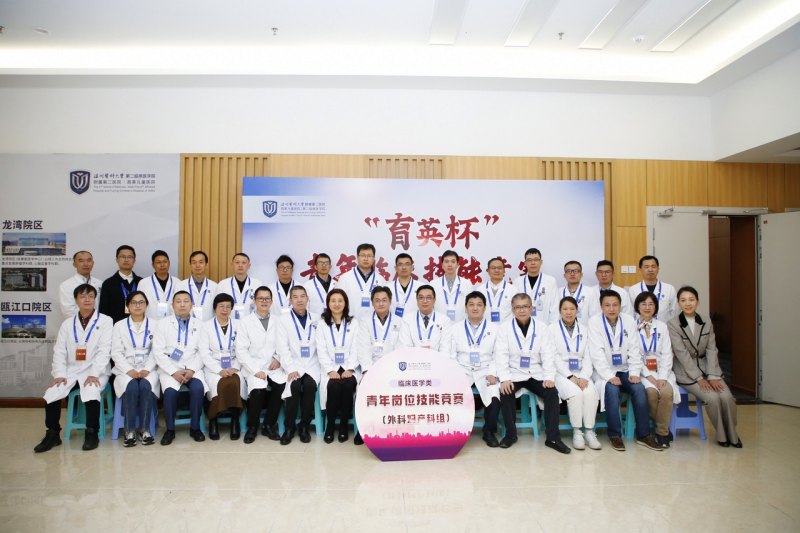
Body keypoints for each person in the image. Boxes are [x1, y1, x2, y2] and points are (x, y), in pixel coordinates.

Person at [34, 284, 112, 453]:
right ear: (76, 300)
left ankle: (92, 432)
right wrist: (59, 374)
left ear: (95, 299)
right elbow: (59, 351)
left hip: (96, 369)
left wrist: (94, 373)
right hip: (72, 369)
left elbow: (105, 351)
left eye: (90, 296)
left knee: (91, 390)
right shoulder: (67, 324)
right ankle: (53, 433)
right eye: (82, 296)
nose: (87, 300)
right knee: (53, 392)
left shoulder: (106, 321)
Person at [587, 290, 662, 452]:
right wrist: (609, 376)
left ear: (621, 305)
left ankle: (644, 435)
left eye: (615, 305)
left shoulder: (628, 320)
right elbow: (596, 354)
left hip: (625, 369)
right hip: (604, 371)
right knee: (612, 389)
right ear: (601, 306)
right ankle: (615, 435)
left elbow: (634, 350)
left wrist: (634, 373)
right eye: (607, 305)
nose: (611, 308)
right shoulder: (594, 322)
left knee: (639, 388)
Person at [495, 293, 570, 453]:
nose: (522, 310)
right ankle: (510, 435)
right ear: (512, 310)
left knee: (552, 393)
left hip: (535, 372)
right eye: (518, 307)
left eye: (525, 306)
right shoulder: (504, 328)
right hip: (514, 372)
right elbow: (501, 354)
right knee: (506, 391)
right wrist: (505, 378)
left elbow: (548, 354)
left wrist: (549, 377)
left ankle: (553, 438)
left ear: (532, 308)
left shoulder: (542, 327)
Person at [668, 286, 740, 448]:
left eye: (691, 300)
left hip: (709, 369)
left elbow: (712, 349)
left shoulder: (706, 321)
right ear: (679, 303)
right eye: (683, 300)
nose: (688, 304)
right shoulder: (673, 324)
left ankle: (732, 434)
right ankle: (722, 435)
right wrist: (699, 378)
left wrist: (712, 376)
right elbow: (682, 355)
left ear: (697, 301)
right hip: (687, 373)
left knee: (727, 397)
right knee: (712, 398)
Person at [153, 290, 208, 445]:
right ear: (172, 305)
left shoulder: (200, 325)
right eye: (178, 301)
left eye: (186, 301)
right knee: (170, 393)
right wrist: (173, 372)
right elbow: (158, 352)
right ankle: (170, 430)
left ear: (192, 304)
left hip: (193, 368)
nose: (182, 304)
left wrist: (192, 369)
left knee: (197, 389)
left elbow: (203, 351)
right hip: (170, 369)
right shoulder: (162, 324)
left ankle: (195, 428)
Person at [546, 296, 601, 450]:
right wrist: (570, 376)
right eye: (565, 309)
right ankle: (577, 431)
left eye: (572, 309)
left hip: (582, 373)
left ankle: (589, 431)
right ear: (560, 311)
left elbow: (589, 355)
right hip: (561, 373)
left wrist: (584, 376)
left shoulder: (585, 330)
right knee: (575, 393)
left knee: (590, 393)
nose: (568, 312)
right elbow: (553, 355)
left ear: (577, 311)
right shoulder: (551, 329)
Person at [236, 286, 288, 443]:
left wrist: (278, 358)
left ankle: (268, 425)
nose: (264, 301)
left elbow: (285, 344)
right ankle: (252, 427)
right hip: (254, 366)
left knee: (281, 386)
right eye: (260, 298)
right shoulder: (245, 322)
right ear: (254, 301)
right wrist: (255, 370)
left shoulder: (279, 321)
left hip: (274, 365)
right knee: (258, 389)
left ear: (271, 301)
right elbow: (241, 350)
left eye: (267, 299)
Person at [109, 290, 159, 446]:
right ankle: (129, 431)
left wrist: (147, 369)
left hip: (148, 368)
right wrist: (128, 370)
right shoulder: (119, 325)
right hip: (126, 369)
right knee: (130, 387)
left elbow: (157, 351)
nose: (138, 305)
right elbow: (116, 352)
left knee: (145, 385)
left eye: (141, 302)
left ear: (146, 305)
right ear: (128, 306)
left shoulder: (155, 325)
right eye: (134, 302)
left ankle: (145, 430)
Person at [452, 292, 502, 447]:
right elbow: (451, 354)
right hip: (463, 369)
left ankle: (489, 431)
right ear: (465, 307)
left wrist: (492, 373)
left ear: (485, 307)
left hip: (485, 370)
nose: (475, 308)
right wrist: (456, 373)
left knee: (493, 390)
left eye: (479, 305)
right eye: (471, 304)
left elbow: (497, 354)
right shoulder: (456, 328)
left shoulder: (495, 328)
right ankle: (457, 430)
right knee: (454, 390)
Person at [198, 293, 246, 441]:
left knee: (235, 382)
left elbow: (243, 349)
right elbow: (204, 353)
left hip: (234, 365)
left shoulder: (239, 325)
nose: (225, 310)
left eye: (228, 307)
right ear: (215, 308)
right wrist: (219, 370)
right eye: (221, 306)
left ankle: (234, 420)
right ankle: (213, 420)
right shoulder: (206, 326)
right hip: (213, 367)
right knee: (219, 383)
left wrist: (235, 367)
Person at [276, 286, 320, 445]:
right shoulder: (283, 320)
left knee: (309, 386)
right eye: (295, 297)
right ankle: (289, 428)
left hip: (312, 363)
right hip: (292, 363)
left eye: (302, 296)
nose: (299, 300)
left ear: (308, 298)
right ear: (290, 300)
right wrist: (291, 368)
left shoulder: (317, 318)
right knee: (294, 386)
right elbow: (282, 347)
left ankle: (304, 427)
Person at [634, 291, 679, 448]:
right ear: (637, 307)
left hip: (662, 370)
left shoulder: (662, 327)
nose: (647, 307)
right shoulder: (632, 327)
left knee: (666, 392)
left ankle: (661, 432)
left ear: (655, 307)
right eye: (643, 304)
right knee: (651, 393)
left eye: (651, 304)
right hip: (642, 371)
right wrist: (648, 375)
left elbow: (667, 353)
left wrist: (662, 377)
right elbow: (633, 355)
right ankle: (663, 430)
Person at [316, 289, 360, 444]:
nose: (337, 304)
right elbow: (321, 350)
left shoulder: (354, 323)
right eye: (333, 300)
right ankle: (330, 426)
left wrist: (350, 368)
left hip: (349, 366)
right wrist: (330, 370)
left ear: (345, 303)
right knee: (334, 387)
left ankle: (343, 426)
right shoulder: (322, 324)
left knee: (348, 387)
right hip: (330, 367)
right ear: (328, 303)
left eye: (340, 300)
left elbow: (356, 347)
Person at [358, 286, 411, 374]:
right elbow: (364, 347)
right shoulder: (365, 321)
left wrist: (393, 367)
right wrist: (367, 370)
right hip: (371, 368)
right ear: (372, 303)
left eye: (384, 300)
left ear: (390, 302)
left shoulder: (400, 321)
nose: (381, 304)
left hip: (394, 368)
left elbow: (402, 346)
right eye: (377, 300)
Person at [399, 285, 453, 358]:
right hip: (414, 362)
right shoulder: (407, 319)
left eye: (428, 298)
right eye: (421, 298)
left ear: (434, 300)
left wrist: (437, 362)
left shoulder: (444, 320)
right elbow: (405, 346)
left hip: (437, 362)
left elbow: (445, 348)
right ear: (417, 300)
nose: (425, 301)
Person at [337, 243, 384, 321]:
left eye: (369, 256)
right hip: (350, 323)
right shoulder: (345, 278)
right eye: (363, 255)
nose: (366, 259)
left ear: (373, 258)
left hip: (374, 323)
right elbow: (338, 302)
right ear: (357, 257)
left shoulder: (380, 280)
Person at [512, 248, 559, 324]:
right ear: (525, 263)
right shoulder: (517, 282)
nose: (533, 263)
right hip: (522, 325)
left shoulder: (550, 281)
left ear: (541, 262)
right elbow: (514, 306)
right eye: (529, 260)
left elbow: (554, 307)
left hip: (545, 325)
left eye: (536, 260)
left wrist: (552, 327)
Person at [99, 245, 143, 323]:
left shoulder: (141, 282)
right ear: (117, 260)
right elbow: (103, 311)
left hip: (139, 324)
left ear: (134, 260)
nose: (126, 260)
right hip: (116, 326)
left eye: (129, 257)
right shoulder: (108, 283)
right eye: (122, 257)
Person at [628, 255, 677, 320]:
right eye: (646, 267)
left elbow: (674, 312)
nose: (650, 270)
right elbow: (631, 314)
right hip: (640, 325)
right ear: (640, 270)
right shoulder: (633, 290)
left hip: (664, 326)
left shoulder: (669, 289)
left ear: (658, 269)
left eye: (653, 266)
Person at [215, 253, 262, 320]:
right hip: (229, 323)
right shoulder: (223, 284)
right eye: (237, 262)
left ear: (249, 266)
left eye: (243, 263)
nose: (240, 265)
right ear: (232, 265)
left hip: (251, 323)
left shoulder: (257, 284)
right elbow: (217, 307)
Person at [176, 250, 218, 321]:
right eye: (194, 262)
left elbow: (218, 309)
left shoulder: (215, 286)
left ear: (206, 265)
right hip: (187, 325)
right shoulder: (180, 286)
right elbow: (176, 309)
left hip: (208, 325)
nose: (197, 265)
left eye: (201, 262)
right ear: (190, 266)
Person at [59, 250, 102, 318]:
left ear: (93, 263)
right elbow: (68, 311)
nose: (86, 264)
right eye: (81, 261)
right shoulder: (66, 285)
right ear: (74, 264)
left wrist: (98, 320)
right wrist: (87, 321)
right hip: (77, 322)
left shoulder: (100, 283)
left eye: (88, 260)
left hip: (99, 322)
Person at [434, 250, 473, 323]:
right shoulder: (433, 284)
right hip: (439, 325)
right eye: (446, 261)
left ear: (457, 264)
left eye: (453, 261)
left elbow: (470, 306)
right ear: (442, 265)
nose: (450, 264)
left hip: (461, 324)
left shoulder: (467, 284)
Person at [140, 250, 180, 320]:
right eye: (158, 262)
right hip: (151, 322)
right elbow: (140, 306)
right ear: (153, 265)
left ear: (169, 263)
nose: (162, 265)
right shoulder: (143, 283)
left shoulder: (177, 282)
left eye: (165, 262)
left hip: (172, 322)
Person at [476, 257, 517, 324]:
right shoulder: (480, 290)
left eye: (499, 268)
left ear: (504, 271)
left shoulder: (513, 290)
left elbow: (517, 311)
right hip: (485, 327)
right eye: (493, 268)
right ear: (488, 271)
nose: (496, 270)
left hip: (507, 328)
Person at [559, 261, 599, 326]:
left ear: (581, 274)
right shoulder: (558, 292)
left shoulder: (590, 291)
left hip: (585, 329)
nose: (572, 274)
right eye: (569, 271)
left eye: (576, 271)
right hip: (562, 329)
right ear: (564, 275)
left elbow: (594, 315)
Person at [389, 253, 418, 319]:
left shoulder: (421, 287)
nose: (404, 267)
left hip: (414, 323)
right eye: (400, 264)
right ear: (395, 268)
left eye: (407, 264)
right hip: (393, 323)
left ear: (412, 267)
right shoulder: (388, 287)